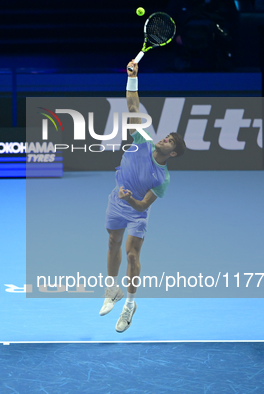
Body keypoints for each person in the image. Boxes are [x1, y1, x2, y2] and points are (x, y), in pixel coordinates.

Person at [99, 60, 187, 333]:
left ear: (172, 153)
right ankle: (112, 289)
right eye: (167, 137)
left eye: (170, 141)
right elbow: (133, 106)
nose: (164, 139)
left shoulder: (163, 179)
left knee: (132, 256)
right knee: (113, 243)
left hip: (134, 210)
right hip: (117, 199)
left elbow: (142, 205)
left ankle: (130, 305)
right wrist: (133, 77)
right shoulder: (142, 140)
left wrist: (129, 200)